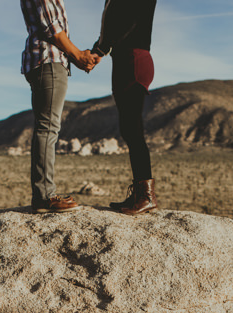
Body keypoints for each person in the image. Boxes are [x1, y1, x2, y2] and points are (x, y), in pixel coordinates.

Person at [20, 0, 99, 213]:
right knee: (48, 127)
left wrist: (79, 57)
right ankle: (45, 196)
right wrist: (78, 55)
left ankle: (43, 194)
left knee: (46, 127)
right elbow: (52, 27)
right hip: (49, 61)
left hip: (42, 61)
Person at [92, 0, 158, 215]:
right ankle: (140, 193)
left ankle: (146, 196)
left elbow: (126, 22)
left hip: (133, 59)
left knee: (133, 129)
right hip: (124, 60)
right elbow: (115, 26)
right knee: (129, 130)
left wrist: (100, 49)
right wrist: (98, 48)